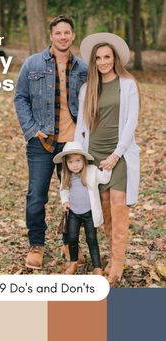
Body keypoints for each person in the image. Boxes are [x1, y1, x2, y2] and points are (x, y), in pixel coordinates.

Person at [14, 15, 87, 269]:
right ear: (51, 36)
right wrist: (32, 129)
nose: (63, 37)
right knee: (36, 195)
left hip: (72, 145)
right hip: (42, 143)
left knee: (76, 195)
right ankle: (37, 244)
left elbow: (92, 102)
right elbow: (20, 98)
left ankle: (70, 241)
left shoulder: (83, 68)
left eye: (67, 32)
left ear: (73, 35)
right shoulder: (32, 64)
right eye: (59, 33)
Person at [75, 33, 140, 286]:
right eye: (99, 58)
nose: (103, 62)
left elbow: (131, 122)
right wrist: (82, 159)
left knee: (119, 205)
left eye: (107, 57)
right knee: (105, 210)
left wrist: (116, 154)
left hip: (120, 154)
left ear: (114, 59)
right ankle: (113, 256)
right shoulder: (87, 89)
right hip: (95, 156)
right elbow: (82, 125)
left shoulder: (128, 84)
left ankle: (117, 264)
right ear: (94, 61)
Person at [53, 141, 111, 275]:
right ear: (66, 163)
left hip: (89, 212)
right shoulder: (66, 175)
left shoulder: (92, 171)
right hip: (74, 212)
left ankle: (97, 267)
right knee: (72, 238)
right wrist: (65, 201)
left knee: (92, 238)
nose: (75, 165)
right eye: (71, 162)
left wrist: (107, 167)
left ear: (84, 159)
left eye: (78, 160)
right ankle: (73, 263)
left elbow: (104, 179)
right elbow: (64, 190)